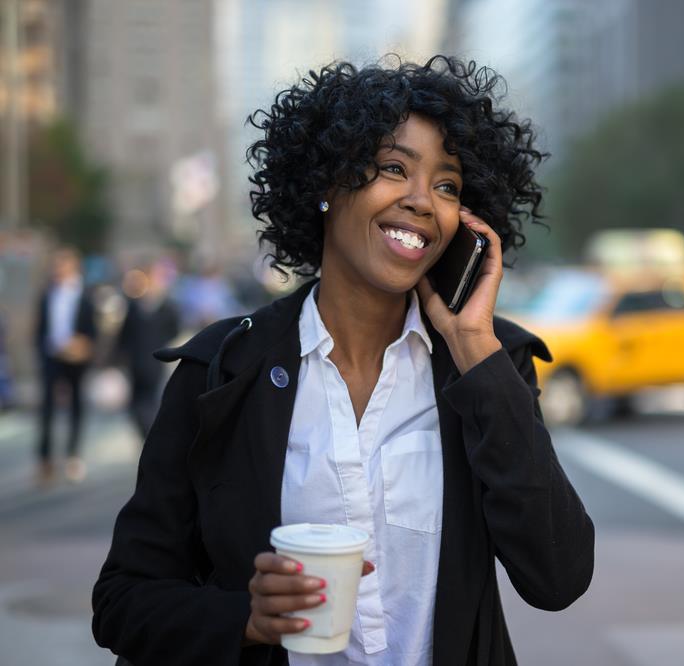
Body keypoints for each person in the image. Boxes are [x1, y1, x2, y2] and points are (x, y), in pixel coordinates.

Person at [92, 55, 594, 666]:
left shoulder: (489, 365)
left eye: (447, 185)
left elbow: (559, 577)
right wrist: (246, 620)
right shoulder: (221, 372)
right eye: (392, 168)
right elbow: (122, 601)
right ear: (328, 184)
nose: (420, 201)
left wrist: (474, 346)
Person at [34, 246, 97, 485]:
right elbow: (40, 329)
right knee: (47, 408)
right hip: (51, 356)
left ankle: (73, 455)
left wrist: (83, 346)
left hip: (77, 358)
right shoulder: (47, 294)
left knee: (77, 405)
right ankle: (45, 458)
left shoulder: (85, 295)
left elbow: (92, 331)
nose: (57, 269)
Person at [115, 258, 181, 438]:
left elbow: (174, 329)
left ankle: (154, 437)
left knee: (149, 403)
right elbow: (124, 334)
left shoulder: (166, 306)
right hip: (135, 361)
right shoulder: (134, 305)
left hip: (155, 361)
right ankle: (151, 437)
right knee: (136, 406)